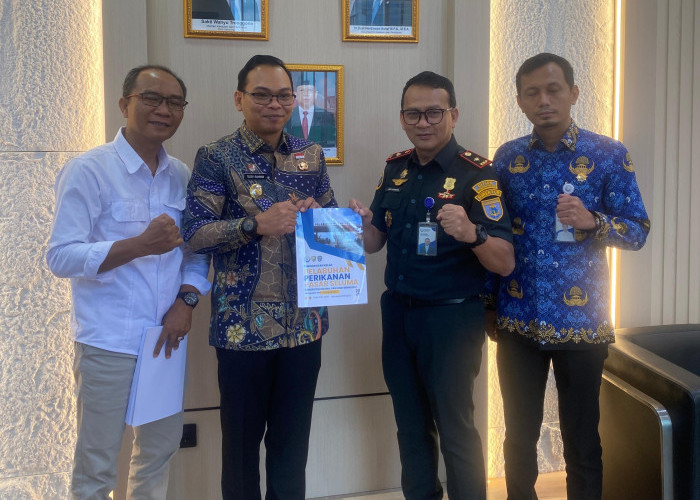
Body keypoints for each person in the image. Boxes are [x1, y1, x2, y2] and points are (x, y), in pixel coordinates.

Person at [487, 52, 650, 500]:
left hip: (582, 323)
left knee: (582, 439)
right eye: (532, 92)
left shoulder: (608, 155)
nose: (544, 100)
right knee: (518, 436)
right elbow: (495, 235)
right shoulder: (507, 158)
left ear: (574, 93)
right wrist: (488, 305)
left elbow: (638, 231)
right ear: (520, 101)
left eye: (553, 89)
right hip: (518, 317)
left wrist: (593, 221)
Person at [46, 65, 211, 499]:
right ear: (124, 104)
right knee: (97, 466)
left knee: (157, 454)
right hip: (108, 341)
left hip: (165, 338)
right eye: (151, 99)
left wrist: (187, 302)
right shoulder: (89, 170)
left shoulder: (180, 174)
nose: (164, 110)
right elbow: (60, 256)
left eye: (174, 103)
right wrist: (139, 245)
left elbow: (195, 252)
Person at [350, 71, 515, 500]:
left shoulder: (479, 175)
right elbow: (374, 242)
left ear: (453, 115)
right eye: (414, 114)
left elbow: (504, 261)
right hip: (398, 314)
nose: (423, 122)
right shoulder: (395, 168)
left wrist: (472, 233)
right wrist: (361, 225)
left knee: (456, 428)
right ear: (402, 118)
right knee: (410, 425)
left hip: (451, 319)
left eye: (434, 113)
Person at [182, 55, 337, 500]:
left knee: (292, 449)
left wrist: (335, 220)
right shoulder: (216, 156)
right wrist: (254, 225)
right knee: (241, 451)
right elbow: (194, 233)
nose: (275, 104)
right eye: (262, 95)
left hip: (305, 326)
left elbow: (331, 226)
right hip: (242, 330)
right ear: (239, 99)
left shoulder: (310, 155)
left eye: (283, 95)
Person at [284, 80, 337, 149]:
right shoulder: (287, 116)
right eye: (302, 90)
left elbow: (330, 143)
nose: (306, 94)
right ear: (296, 95)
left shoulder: (327, 115)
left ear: (316, 94)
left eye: (310, 90)